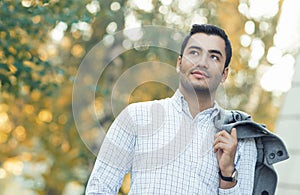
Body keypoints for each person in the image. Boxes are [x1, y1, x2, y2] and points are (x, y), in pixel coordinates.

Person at [85, 24, 288, 195]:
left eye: (214, 57)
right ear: (179, 63)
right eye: (194, 53)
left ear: (225, 74)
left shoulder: (240, 139)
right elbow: (99, 188)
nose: (202, 62)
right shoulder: (136, 117)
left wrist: (227, 175)